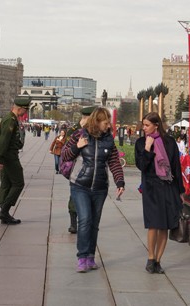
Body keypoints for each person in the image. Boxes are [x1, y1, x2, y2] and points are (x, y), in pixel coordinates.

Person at [60, 107, 125, 273]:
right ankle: (82, 257)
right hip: (80, 185)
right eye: (105, 122)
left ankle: (90, 255)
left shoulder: (108, 139)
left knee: (94, 224)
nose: (108, 125)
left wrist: (120, 182)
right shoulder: (79, 135)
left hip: (100, 188)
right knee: (85, 220)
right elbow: (65, 155)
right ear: (97, 122)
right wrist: (77, 147)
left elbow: (114, 162)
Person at [134, 112, 185, 274]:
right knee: (154, 224)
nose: (144, 128)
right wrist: (148, 148)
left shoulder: (169, 142)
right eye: (143, 125)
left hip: (168, 187)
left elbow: (176, 167)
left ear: (156, 125)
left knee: (165, 226)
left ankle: (158, 260)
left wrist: (181, 191)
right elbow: (142, 165)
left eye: (147, 125)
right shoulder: (141, 143)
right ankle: (150, 258)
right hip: (151, 187)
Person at [0, 96, 31, 225]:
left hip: (7, 155)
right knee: (18, 183)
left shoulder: (11, 119)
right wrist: (0, 158)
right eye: (25, 110)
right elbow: (4, 140)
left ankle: (4, 212)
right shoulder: (10, 120)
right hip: (9, 157)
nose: (25, 113)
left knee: (6, 184)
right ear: (20, 109)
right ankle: (4, 211)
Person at [63, 106, 96, 234]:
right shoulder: (75, 130)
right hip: (78, 168)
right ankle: (73, 222)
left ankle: (86, 221)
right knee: (75, 195)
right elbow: (68, 148)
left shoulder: (97, 130)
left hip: (92, 168)